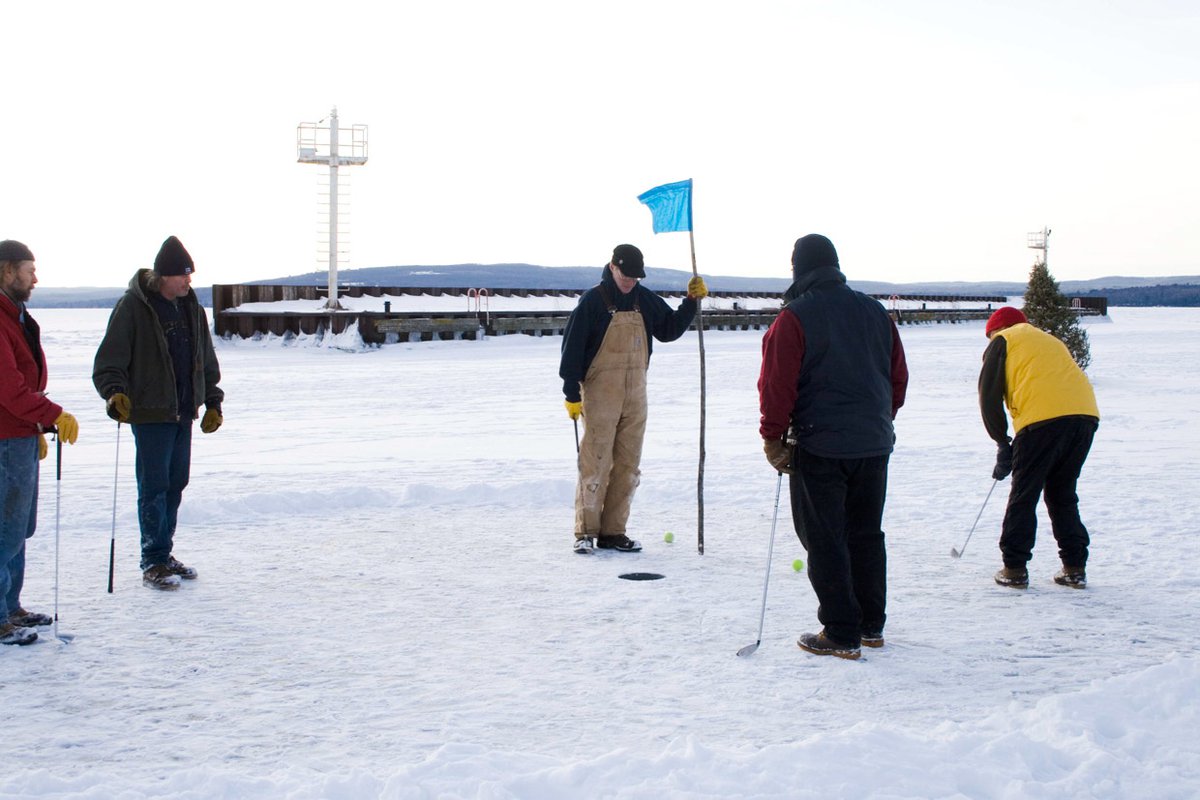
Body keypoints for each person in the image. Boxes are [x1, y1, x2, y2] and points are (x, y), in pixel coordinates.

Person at [758, 234, 908, 660]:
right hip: (874, 443)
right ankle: (870, 625)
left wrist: (772, 437)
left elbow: (776, 383)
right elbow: (897, 377)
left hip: (819, 444)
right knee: (865, 533)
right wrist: (878, 419)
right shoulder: (876, 312)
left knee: (824, 537)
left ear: (797, 270)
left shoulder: (795, 317)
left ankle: (841, 632)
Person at [93, 235, 224, 591]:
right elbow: (109, 362)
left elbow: (205, 360)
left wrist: (212, 400)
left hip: (183, 411)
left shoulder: (191, 308)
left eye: (190, 276)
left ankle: (165, 553)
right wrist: (114, 394)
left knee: (176, 483)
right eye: (182, 275)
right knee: (154, 486)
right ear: (163, 276)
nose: (188, 281)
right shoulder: (133, 308)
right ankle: (152, 559)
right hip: (150, 412)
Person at [560, 244, 707, 554]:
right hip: (600, 395)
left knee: (628, 466)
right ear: (613, 267)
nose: (629, 282)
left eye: (635, 278)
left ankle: (614, 532)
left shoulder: (643, 299)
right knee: (595, 462)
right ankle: (585, 532)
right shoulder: (593, 301)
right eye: (625, 275)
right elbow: (572, 348)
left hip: (636, 396)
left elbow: (667, 330)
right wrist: (571, 392)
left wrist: (690, 303)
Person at [979, 306, 1099, 590]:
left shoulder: (1003, 341)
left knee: (1024, 493)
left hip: (1041, 423)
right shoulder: (1049, 339)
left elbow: (988, 396)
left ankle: (1014, 568)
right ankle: (1074, 567)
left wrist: (1001, 441)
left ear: (995, 330)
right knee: (1062, 492)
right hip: (1085, 417)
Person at [0, 240, 80, 646]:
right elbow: (9, 387)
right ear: (8, 270)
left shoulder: (15, 316)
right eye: (29, 270)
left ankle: (9, 605)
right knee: (4, 528)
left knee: (18, 528)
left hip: (19, 435)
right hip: (4, 438)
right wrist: (51, 415)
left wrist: (35, 427)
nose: (36, 278)